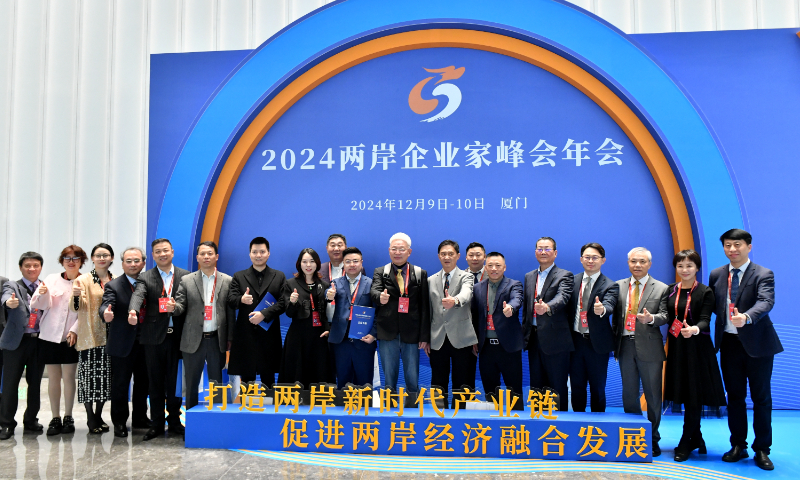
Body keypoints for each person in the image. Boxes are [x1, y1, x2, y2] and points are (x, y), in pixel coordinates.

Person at [709, 229, 782, 470]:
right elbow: (712, 305)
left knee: (761, 398)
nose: (732, 249)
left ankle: (762, 449)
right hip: (729, 344)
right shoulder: (717, 274)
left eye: (737, 244)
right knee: (735, 397)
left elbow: (766, 301)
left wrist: (747, 317)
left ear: (748, 246)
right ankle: (738, 445)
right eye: (728, 245)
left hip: (758, 345)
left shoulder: (763, 273)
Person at [663, 249, 726, 462]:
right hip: (677, 348)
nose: (684, 270)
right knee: (683, 391)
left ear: (697, 267)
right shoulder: (671, 290)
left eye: (689, 265)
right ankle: (696, 437)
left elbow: (706, 319)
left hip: (698, 349)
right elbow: (665, 315)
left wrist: (695, 329)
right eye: (680, 266)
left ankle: (686, 440)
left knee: (694, 395)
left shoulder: (705, 292)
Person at [128, 238, 189, 440]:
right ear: (153, 255)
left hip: (177, 338)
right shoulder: (145, 277)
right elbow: (138, 295)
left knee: (174, 383)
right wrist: (133, 311)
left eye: (165, 250)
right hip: (153, 338)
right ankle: (156, 423)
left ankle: (174, 422)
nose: (162, 254)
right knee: (154, 383)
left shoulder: (186, 276)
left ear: (172, 252)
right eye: (157, 251)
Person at [612, 246, 669, 457]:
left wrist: (651, 319)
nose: (637, 265)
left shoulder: (662, 288)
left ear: (649, 264)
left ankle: (653, 438)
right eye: (634, 261)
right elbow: (615, 319)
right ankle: (634, 436)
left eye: (642, 261)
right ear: (628, 263)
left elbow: (665, 315)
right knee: (629, 394)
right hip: (625, 345)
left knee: (653, 395)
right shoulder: (617, 287)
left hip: (650, 346)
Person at [165, 241, 234, 411]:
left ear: (216, 256)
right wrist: (174, 308)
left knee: (217, 383)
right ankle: (192, 421)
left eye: (210, 253)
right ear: (197, 257)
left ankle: (217, 419)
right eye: (202, 254)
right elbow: (181, 306)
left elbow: (231, 312)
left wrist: (230, 339)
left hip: (216, 340)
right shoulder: (187, 280)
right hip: (192, 339)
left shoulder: (227, 280)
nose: (206, 257)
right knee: (191, 383)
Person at [30, 246, 85, 436]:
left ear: (81, 261)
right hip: (50, 335)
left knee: (69, 377)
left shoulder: (86, 281)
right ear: (62, 261)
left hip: (71, 336)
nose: (71, 261)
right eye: (67, 258)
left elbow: (87, 311)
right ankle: (55, 417)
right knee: (54, 377)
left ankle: (69, 416)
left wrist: (75, 329)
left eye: (75, 258)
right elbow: (38, 305)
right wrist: (43, 293)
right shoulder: (52, 279)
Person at [370, 233, 430, 398]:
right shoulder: (381, 271)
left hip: (411, 332)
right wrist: (379, 297)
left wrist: (424, 336)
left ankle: (413, 406)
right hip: (387, 331)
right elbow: (374, 291)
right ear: (389, 251)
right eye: (394, 249)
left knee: (412, 376)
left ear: (409, 252)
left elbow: (425, 307)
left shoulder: (419, 273)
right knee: (389, 377)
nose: (397, 252)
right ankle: (389, 407)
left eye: (401, 249)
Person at [100, 247, 150, 438]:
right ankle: (119, 422)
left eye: (136, 260)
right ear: (122, 264)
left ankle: (140, 418)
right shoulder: (113, 285)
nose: (132, 264)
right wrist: (106, 313)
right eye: (128, 261)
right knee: (120, 385)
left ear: (143, 263)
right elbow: (106, 304)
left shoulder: (150, 282)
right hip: (122, 343)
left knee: (143, 383)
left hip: (146, 342)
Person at [522, 237, 573, 412]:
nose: (543, 252)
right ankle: (539, 425)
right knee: (536, 386)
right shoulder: (530, 276)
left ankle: (560, 427)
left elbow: (563, 297)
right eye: (539, 249)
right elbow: (527, 308)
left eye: (547, 249)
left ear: (555, 253)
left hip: (556, 339)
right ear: (535, 251)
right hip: (534, 338)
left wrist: (548, 307)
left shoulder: (565, 275)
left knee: (557, 385)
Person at [227, 237, 287, 387]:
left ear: (268, 254)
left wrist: (264, 314)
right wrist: (241, 299)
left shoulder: (278, 276)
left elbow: (284, 303)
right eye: (255, 252)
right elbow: (230, 300)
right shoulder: (239, 276)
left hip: (269, 334)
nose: (258, 255)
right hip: (246, 335)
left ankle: (269, 408)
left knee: (268, 378)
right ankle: (246, 408)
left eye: (262, 252)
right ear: (249, 254)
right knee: (247, 378)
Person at [567, 243, 619, 413]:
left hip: (597, 344)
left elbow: (610, 304)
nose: (590, 261)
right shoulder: (571, 281)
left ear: (603, 260)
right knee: (577, 386)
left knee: (598, 388)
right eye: (587, 257)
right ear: (581, 259)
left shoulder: (610, 285)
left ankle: (598, 426)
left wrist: (602, 309)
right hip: (575, 342)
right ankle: (577, 423)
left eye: (595, 257)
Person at [0, 252, 47, 440]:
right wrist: (8, 303)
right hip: (16, 343)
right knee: (11, 384)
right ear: (21, 267)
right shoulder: (12, 285)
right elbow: (5, 297)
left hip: (39, 341)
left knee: (35, 384)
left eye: (36, 265)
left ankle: (31, 420)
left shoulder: (45, 287)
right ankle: (6, 424)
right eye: (27, 265)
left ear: (40, 267)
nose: (32, 269)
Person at [71, 244, 116, 434]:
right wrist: (75, 296)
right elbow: (76, 306)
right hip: (91, 337)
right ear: (92, 258)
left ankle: (99, 415)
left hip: (111, 337)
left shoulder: (115, 279)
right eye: (98, 255)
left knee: (105, 380)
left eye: (106, 255)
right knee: (88, 379)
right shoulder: (83, 279)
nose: (102, 258)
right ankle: (90, 418)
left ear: (112, 258)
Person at [426, 240, 476, 407]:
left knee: (462, 381)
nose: (447, 257)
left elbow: (467, 293)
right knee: (438, 381)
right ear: (439, 256)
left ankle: (460, 418)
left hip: (462, 337)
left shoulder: (467, 276)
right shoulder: (431, 280)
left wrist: (455, 300)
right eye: (443, 254)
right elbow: (429, 311)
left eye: (451, 254)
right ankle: (438, 418)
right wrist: (426, 338)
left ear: (458, 256)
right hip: (437, 338)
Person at [470, 252, 524, 402]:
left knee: (515, 391)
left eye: (498, 265)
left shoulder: (514, 284)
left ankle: (517, 423)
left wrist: (511, 308)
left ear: (504, 267)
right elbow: (474, 316)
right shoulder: (477, 288)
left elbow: (517, 299)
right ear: (485, 267)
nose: (494, 269)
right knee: (490, 392)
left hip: (508, 347)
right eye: (490, 265)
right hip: (486, 348)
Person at [279, 248, 330, 386]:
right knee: (296, 372)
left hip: (319, 335)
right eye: (305, 262)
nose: (308, 265)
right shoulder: (291, 284)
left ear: (317, 264)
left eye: (312, 261)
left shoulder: (324, 285)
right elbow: (289, 313)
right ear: (299, 264)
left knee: (318, 371)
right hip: (298, 335)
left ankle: (318, 402)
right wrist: (293, 302)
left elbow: (328, 312)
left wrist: (328, 327)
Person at [325, 247, 375, 388]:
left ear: (361, 263)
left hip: (364, 341)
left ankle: (364, 409)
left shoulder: (371, 284)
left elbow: (379, 313)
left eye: (355, 261)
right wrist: (328, 297)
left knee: (364, 384)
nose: (352, 264)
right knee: (342, 383)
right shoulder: (335, 283)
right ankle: (343, 409)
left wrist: (373, 334)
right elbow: (327, 300)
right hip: (341, 342)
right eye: (348, 261)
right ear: (343, 264)